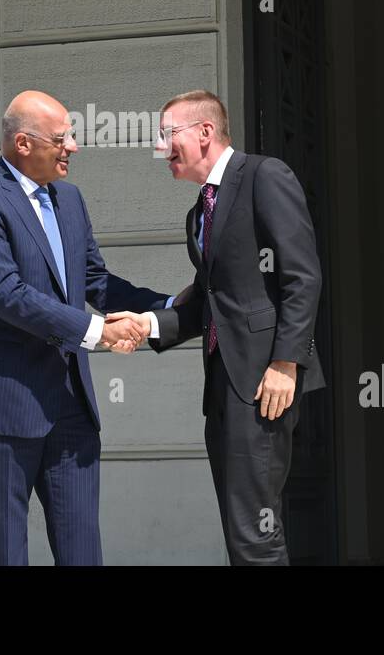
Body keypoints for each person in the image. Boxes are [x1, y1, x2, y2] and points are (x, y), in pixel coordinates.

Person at [0, 90, 169, 565]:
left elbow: (95, 280)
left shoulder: (69, 198)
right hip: (2, 405)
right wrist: (97, 332)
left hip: (70, 405)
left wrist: (167, 308)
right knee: (5, 549)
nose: (73, 147)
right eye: (62, 138)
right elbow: (6, 293)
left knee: (82, 548)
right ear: (23, 144)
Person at [127, 89, 326, 564]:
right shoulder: (200, 211)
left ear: (205, 132)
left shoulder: (263, 176)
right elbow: (208, 301)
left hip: (263, 381)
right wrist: (147, 324)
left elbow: (303, 275)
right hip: (223, 386)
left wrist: (286, 361)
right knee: (243, 529)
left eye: (167, 135)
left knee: (254, 532)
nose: (161, 149)